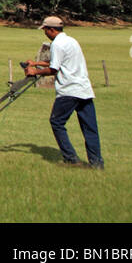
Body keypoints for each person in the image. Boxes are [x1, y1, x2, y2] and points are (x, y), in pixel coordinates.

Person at [25, 16, 103, 170]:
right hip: (84, 89)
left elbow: (54, 69)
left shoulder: (57, 45)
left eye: (45, 30)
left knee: (57, 122)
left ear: (52, 30)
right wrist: (36, 63)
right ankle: (97, 164)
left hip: (69, 90)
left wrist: (35, 71)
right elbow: (59, 61)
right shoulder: (71, 41)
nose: (45, 33)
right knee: (90, 128)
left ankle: (71, 159)